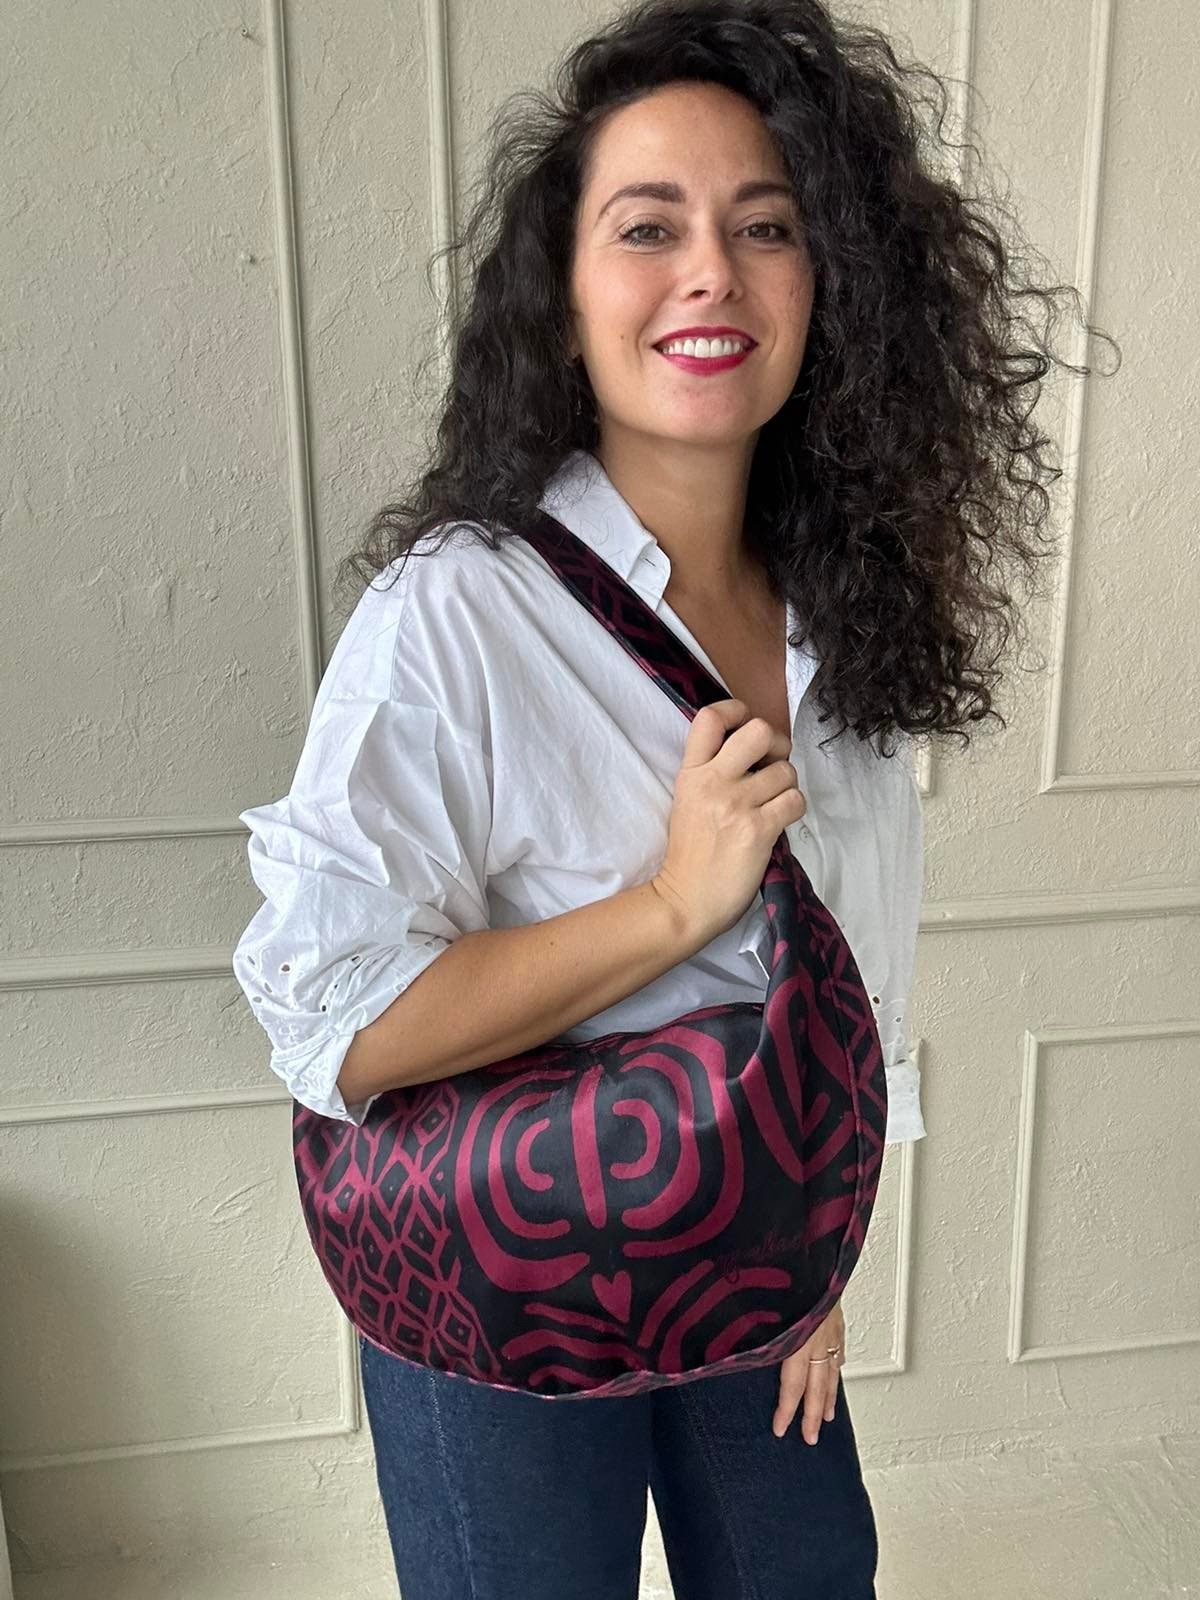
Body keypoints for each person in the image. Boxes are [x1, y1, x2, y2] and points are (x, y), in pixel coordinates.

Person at [232, 0, 1116, 1593]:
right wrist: (667, 909)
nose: (711, 271)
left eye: (766, 227)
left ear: (828, 288)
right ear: (562, 300)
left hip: (748, 1254)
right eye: (649, 227)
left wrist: (818, 1247)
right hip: (490, 1271)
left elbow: (852, 968)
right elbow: (329, 1021)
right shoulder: (459, 611)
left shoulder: (843, 612)